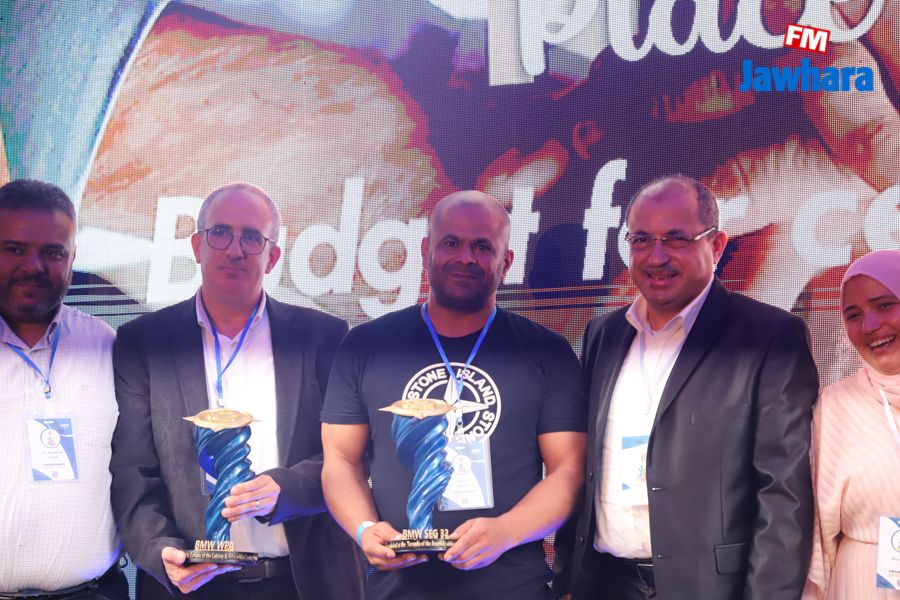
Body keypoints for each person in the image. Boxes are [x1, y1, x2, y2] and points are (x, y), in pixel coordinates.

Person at [555, 175, 819, 599]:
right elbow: (585, 467)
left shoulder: (769, 337)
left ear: (716, 245)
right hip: (604, 583)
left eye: (676, 239)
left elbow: (783, 493)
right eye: (641, 240)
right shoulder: (603, 334)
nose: (656, 256)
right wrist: (568, 579)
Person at [321, 190, 587, 599]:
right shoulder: (366, 345)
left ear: (506, 262)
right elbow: (340, 460)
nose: (465, 257)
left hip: (512, 588)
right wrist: (364, 529)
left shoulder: (546, 351)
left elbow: (568, 470)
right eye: (451, 243)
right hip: (398, 589)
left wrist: (506, 531)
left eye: (482, 247)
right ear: (425, 251)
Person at [110, 182, 364, 599]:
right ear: (197, 246)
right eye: (220, 233)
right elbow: (132, 471)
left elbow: (354, 455)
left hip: (303, 582)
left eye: (251, 237)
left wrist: (287, 488)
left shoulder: (324, 337)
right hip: (190, 584)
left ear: (272, 257)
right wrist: (159, 549)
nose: (234, 249)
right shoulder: (144, 342)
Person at [0, 179, 128, 598]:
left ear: (73, 258)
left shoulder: (106, 346)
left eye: (53, 252)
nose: (33, 266)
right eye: (14, 249)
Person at [804, 249, 900, 599]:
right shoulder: (835, 406)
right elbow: (815, 533)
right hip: (862, 585)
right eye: (853, 315)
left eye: (885, 305)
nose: (870, 326)